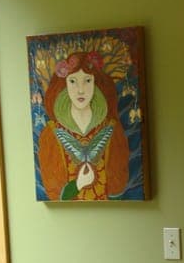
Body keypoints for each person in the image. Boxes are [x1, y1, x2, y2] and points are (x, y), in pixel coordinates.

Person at [38, 51, 129, 200]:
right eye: (73, 81)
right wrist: (78, 185)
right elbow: (54, 194)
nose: (81, 89)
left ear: (96, 83)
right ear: (65, 85)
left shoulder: (112, 130)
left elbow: (118, 188)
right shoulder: (51, 134)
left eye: (87, 81)